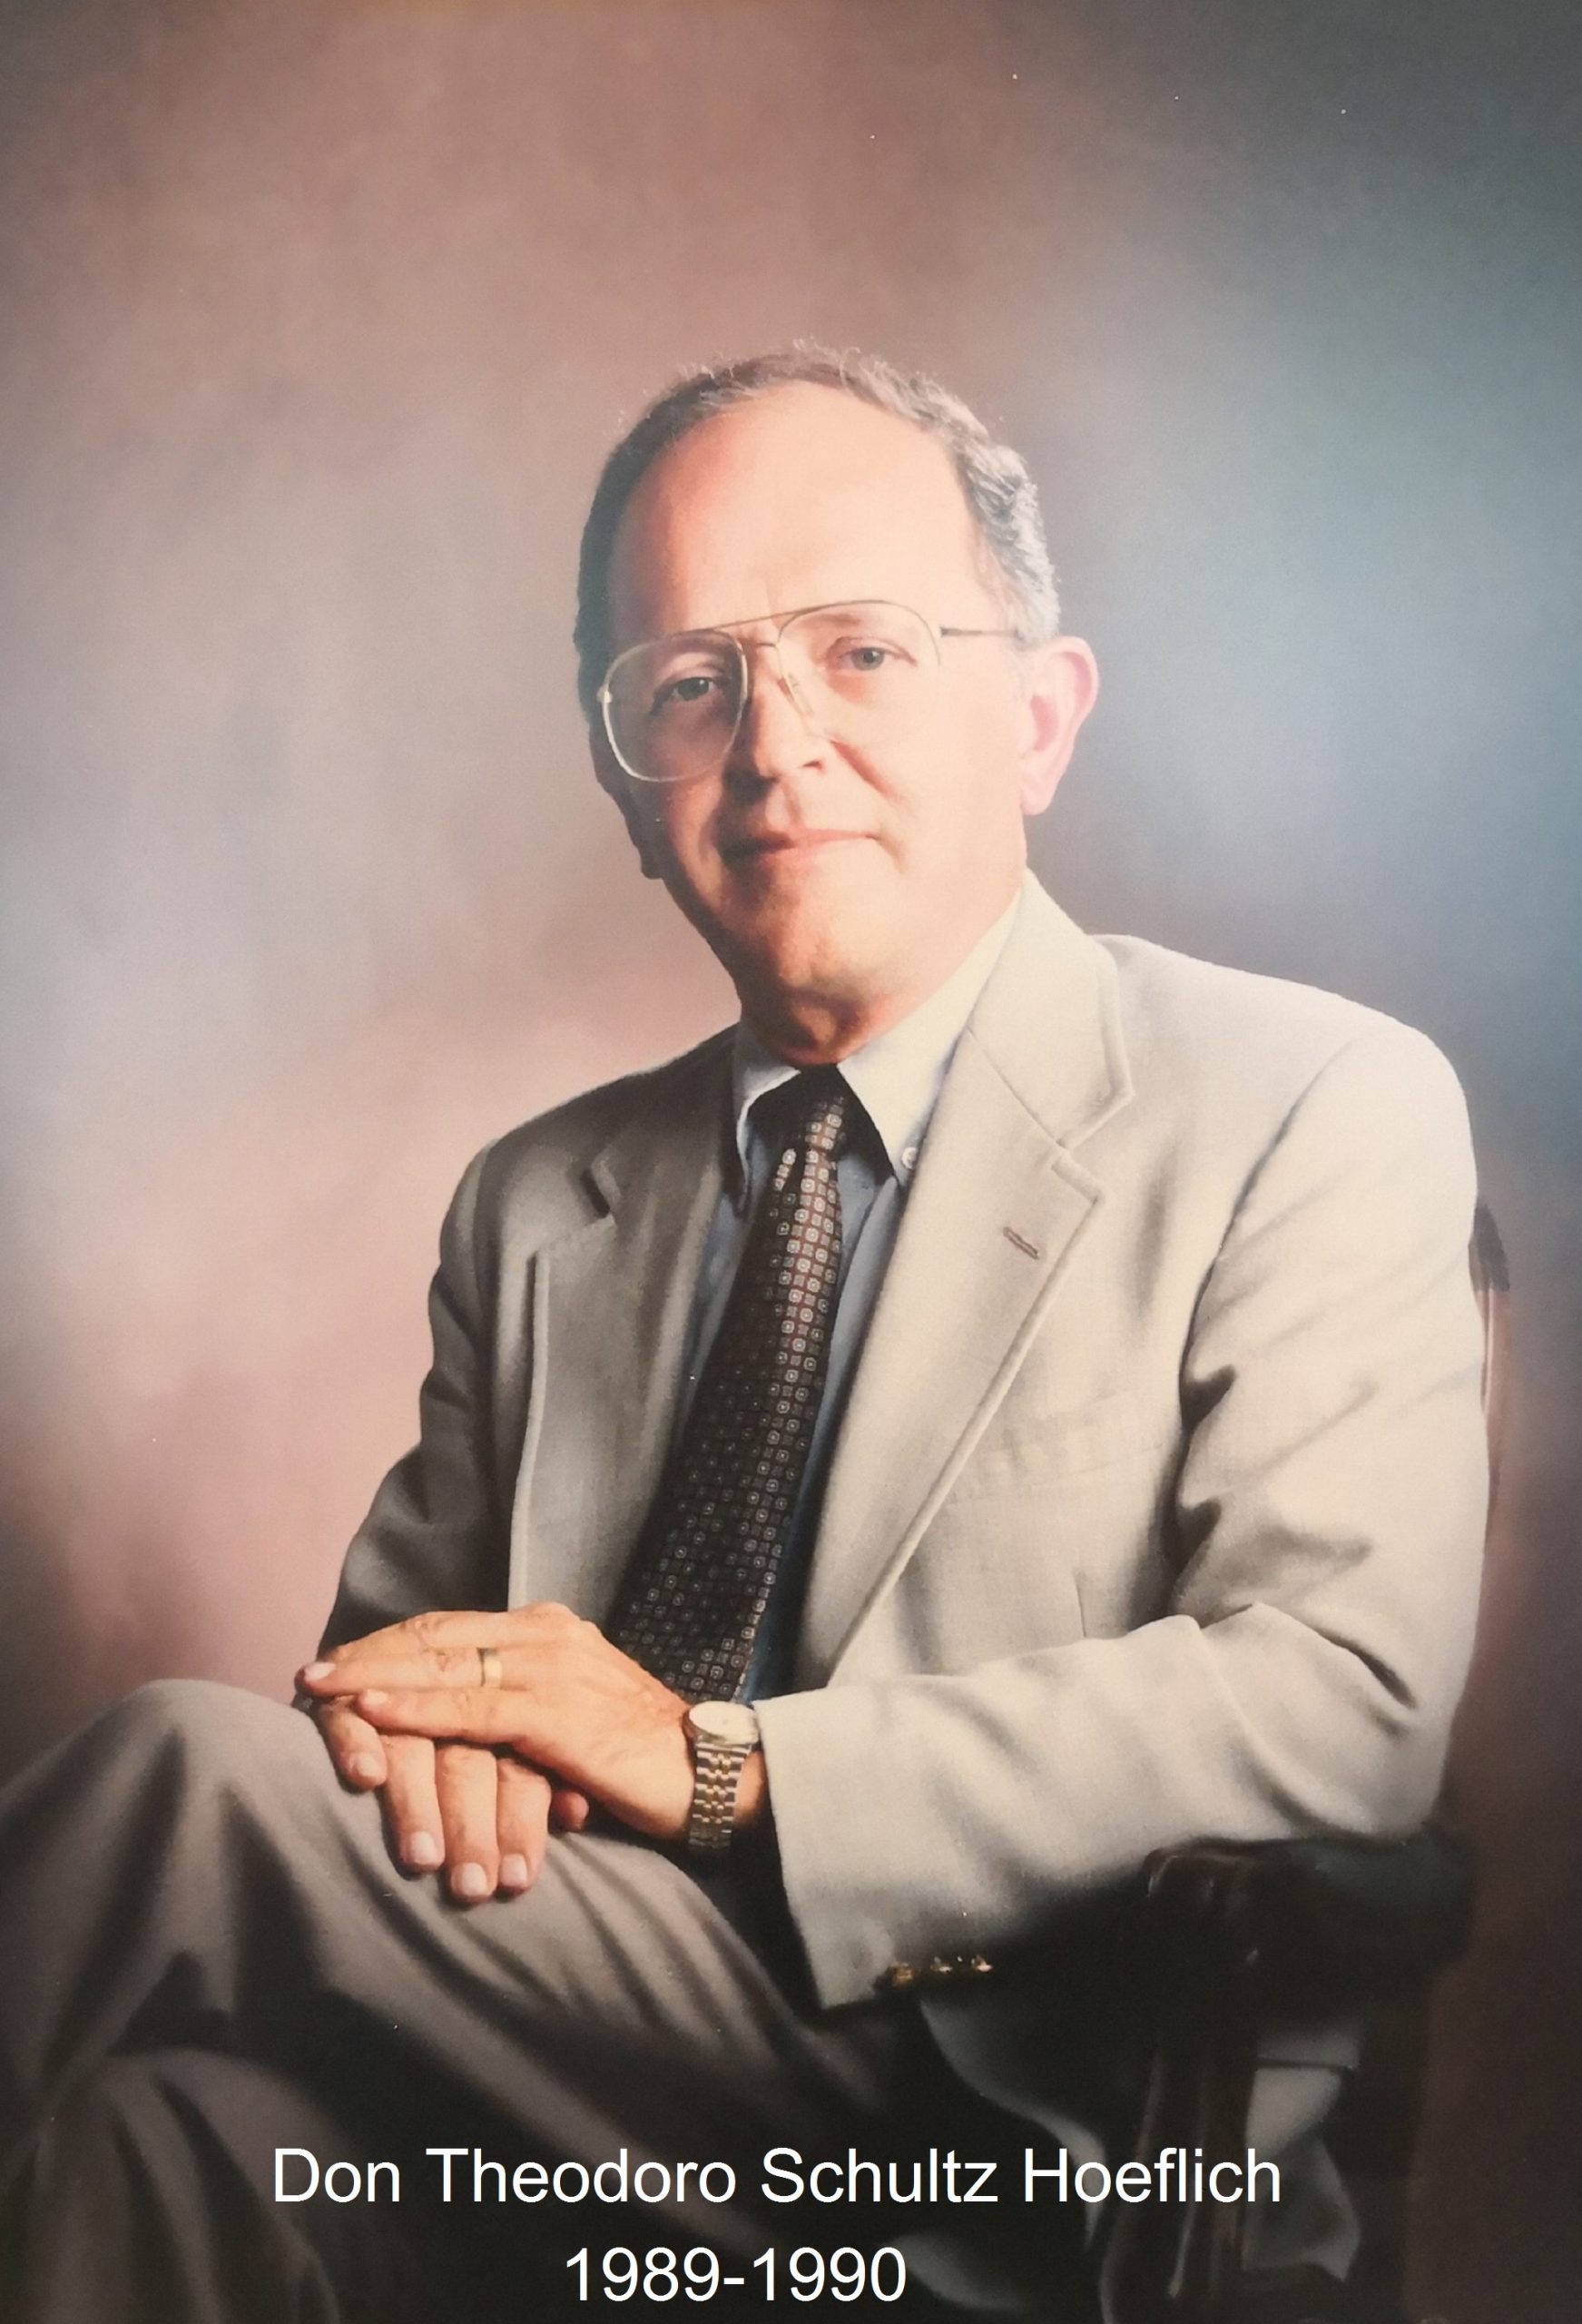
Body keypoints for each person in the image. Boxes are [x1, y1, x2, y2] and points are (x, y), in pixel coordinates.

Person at [0, 348, 1488, 2323]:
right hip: (539, 2067)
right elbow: (387, 1700)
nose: (775, 747)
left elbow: (1336, 1708)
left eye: (861, 652)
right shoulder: (536, 1200)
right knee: (156, 2131)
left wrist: (717, 1765)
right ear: (626, 787)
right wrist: (426, 1737)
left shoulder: (1306, 1103)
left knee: (187, 1786)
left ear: (1039, 719)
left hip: (1009, 2115)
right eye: (692, 684)